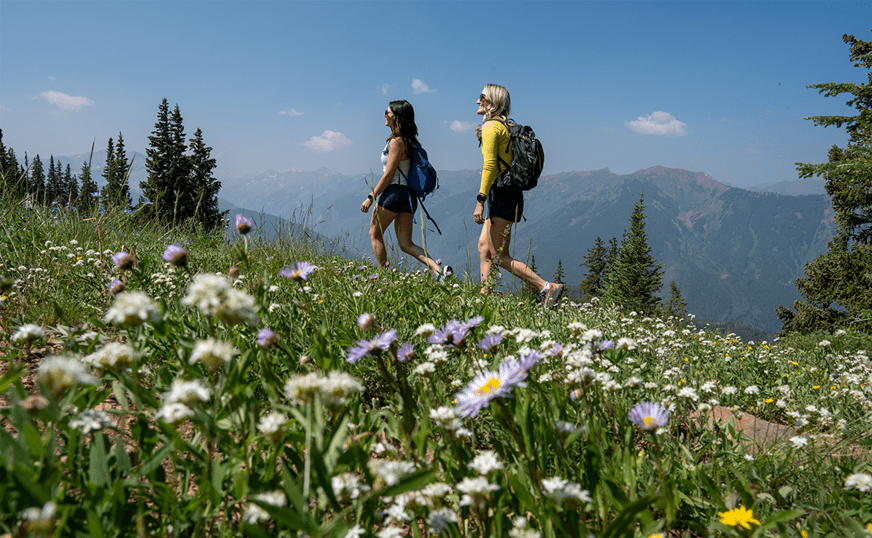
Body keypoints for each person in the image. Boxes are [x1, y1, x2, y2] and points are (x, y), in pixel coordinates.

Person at [473, 84, 564, 307]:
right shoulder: (507, 125)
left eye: (482, 97)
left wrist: (480, 200)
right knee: (484, 247)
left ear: (492, 102)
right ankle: (484, 296)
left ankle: (546, 287)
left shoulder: (492, 127)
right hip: (508, 192)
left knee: (499, 256)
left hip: (502, 193)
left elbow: (490, 165)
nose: (478, 101)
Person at [361, 100, 447, 277]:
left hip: (393, 194)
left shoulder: (396, 142)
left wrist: (371, 197)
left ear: (397, 118)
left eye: (388, 112)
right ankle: (439, 271)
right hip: (409, 197)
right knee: (406, 244)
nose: (384, 115)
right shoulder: (410, 141)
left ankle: (384, 276)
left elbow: (388, 175)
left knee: (374, 233)